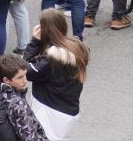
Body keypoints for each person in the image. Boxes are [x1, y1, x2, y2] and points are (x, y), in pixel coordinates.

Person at [24, 8, 90, 141]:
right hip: (69, 110)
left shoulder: (51, 59)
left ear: (44, 31)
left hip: (51, 112)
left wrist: (35, 42)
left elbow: (24, 70)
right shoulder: (76, 47)